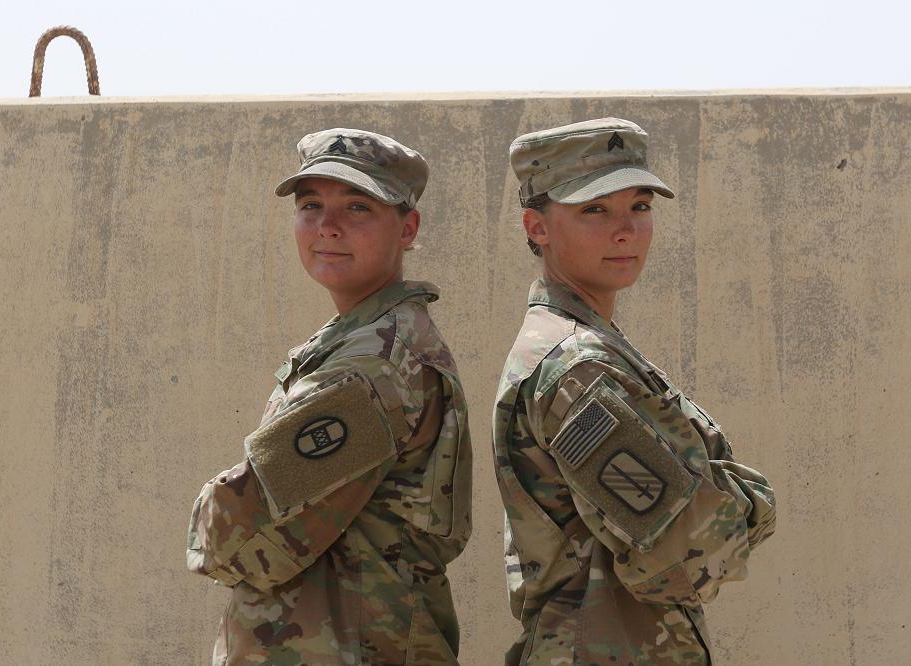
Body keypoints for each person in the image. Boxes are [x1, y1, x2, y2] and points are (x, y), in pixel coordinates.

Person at [492, 118, 776, 665]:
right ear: (537, 226)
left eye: (640, 206)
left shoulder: (591, 343)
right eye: (594, 209)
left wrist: (709, 490)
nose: (625, 230)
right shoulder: (577, 365)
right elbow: (687, 557)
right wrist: (752, 502)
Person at [187, 128, 472, 665]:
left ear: (407, 227)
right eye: (310, 204)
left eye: (358, 207)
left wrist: (206, 510)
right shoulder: (358, 339)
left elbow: (240, 532)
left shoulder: (371, 365)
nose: (328, 226)